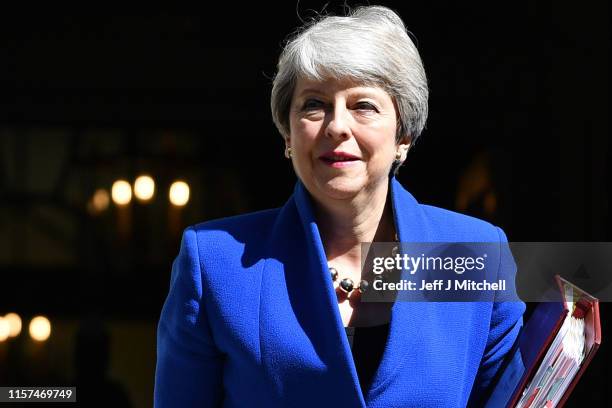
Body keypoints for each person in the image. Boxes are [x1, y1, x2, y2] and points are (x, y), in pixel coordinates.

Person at [154, 5, 525, 407]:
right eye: (314, 104)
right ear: (288, 134)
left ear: (404, 135)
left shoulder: (475, 251)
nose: (336, 126)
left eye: (363, 105)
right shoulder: (214, 260)